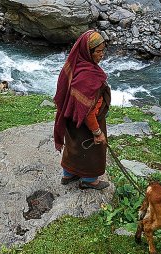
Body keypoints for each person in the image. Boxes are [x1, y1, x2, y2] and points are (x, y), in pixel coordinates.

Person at [53, 30, 111, 190]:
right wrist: (97, 132)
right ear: (88, 52)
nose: (102, 55)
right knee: (93, 151)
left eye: (103, 51)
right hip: (87, 124)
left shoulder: (74, 66)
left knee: (73, 146)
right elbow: (89, 112)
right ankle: (89, 179)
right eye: (98, 51)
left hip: (72, 120)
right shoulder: (89, 77)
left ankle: (68, 174)